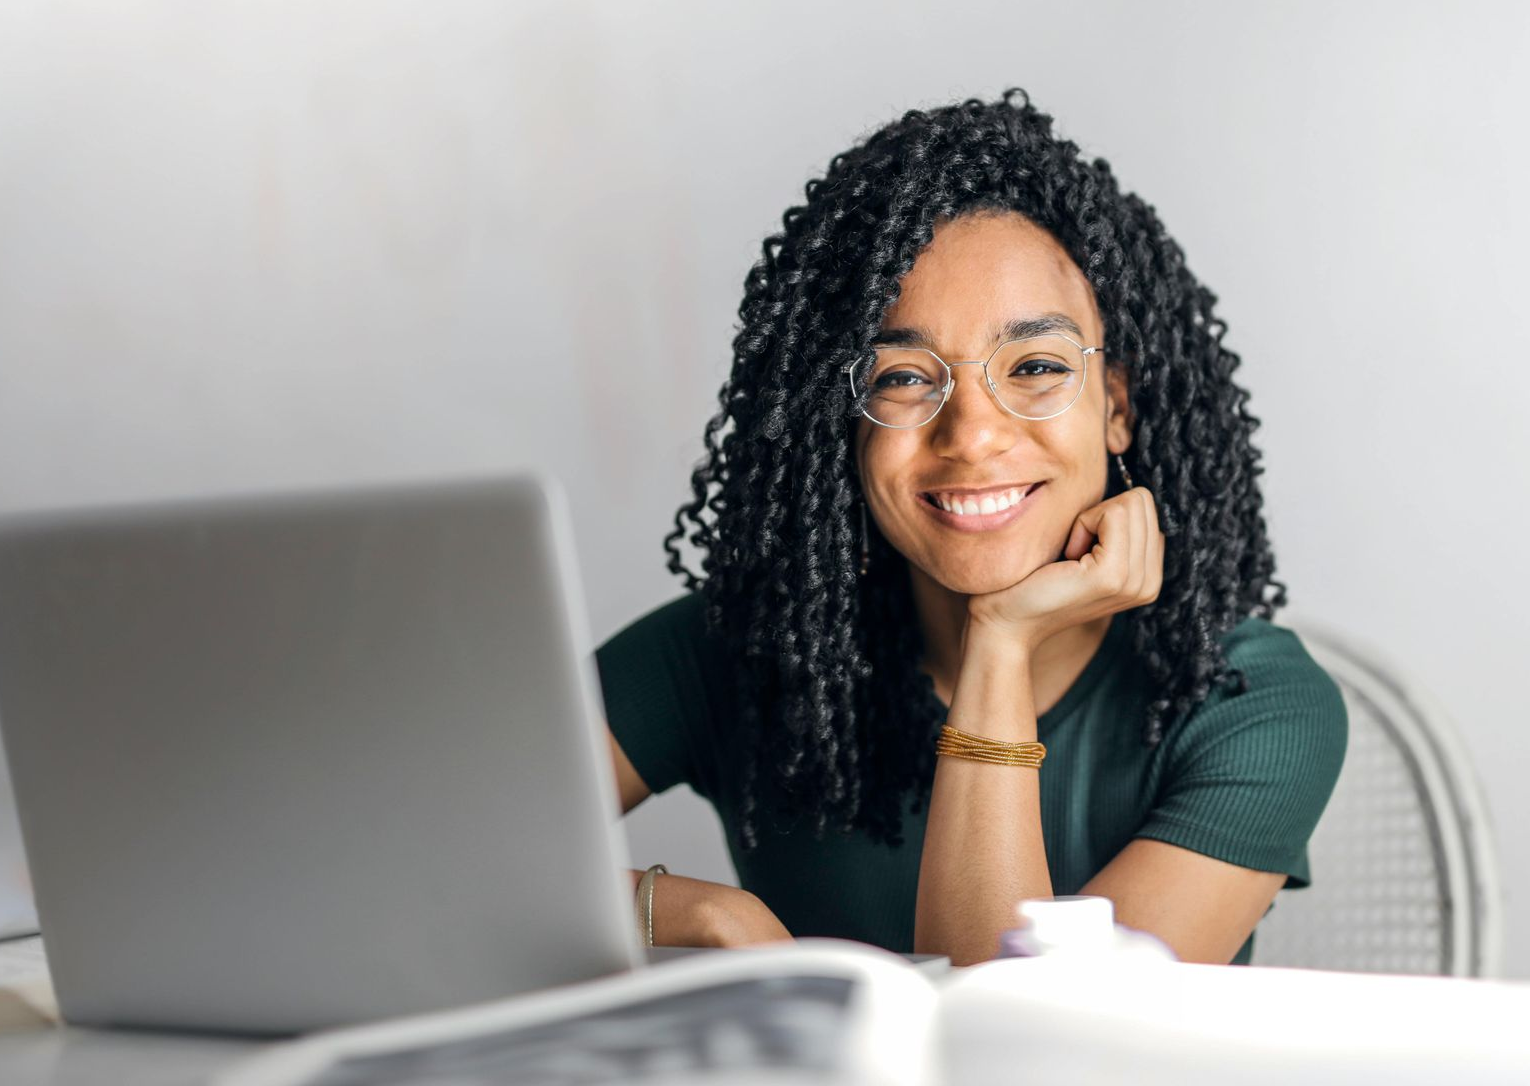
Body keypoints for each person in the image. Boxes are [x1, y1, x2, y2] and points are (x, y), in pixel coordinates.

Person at [596, 89, 1347, 967]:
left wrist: (1001, 641)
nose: (974, 434)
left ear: (1117, 406)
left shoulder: (1247, 702)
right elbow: (418, 852)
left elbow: (1026, 1049)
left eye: (1034, 366)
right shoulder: (739, 647)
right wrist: (693, 913)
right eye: (904, 378)